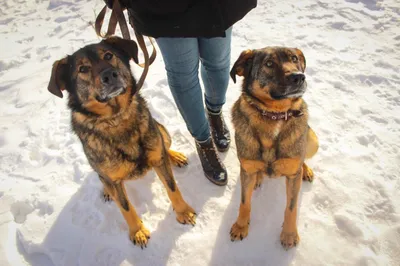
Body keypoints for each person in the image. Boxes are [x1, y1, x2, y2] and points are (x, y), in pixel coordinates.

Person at [104, 0, 257, 186]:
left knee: (218, 64)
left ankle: (214, 113)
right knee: (184, 77)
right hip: (163, 10)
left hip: (218, 5)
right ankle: (203, 139)